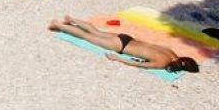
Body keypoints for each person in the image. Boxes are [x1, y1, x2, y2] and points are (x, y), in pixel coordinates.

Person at [48, 16, 199, 72]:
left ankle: (71, 20)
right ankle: (58, 25)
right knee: (86, 37)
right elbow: (141, 65)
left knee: (95, 31)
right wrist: (119, 59)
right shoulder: (162, 62)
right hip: (120, 47)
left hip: (127, 39)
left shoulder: (171, 52)